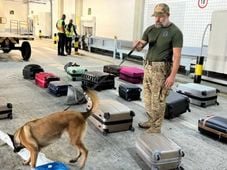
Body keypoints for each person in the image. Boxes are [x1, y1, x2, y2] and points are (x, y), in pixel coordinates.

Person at [134, 3, 183, 133]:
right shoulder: (150, 29)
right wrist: (137, 46)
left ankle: (156, 127)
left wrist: (172, 76)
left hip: (161, 70)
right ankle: (151, 121)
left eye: (160, 17)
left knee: (158, 99)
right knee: (147, 97)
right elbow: (140, 47)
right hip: (148, 67)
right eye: (155, 16)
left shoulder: (175, 32)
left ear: (168, 15)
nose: (157, 19)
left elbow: (177, 57)